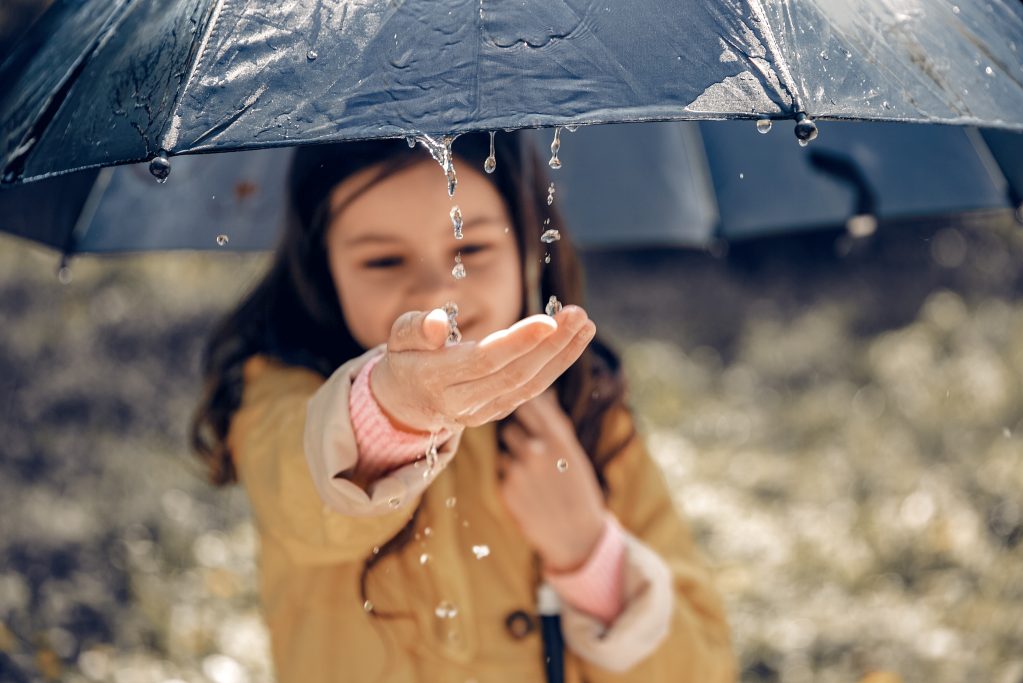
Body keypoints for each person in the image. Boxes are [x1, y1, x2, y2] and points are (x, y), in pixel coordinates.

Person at [191, 132, 735, 682]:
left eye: (470, 249)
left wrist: (588, 553)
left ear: (528, 250)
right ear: (324, 270)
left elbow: (703, 668)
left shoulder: (589, 412)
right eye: (382, 260)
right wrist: (393, 412)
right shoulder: (282, 396)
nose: (434, 294)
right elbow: (301, 493)